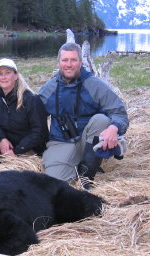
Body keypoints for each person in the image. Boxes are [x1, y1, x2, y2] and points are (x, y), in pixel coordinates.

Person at [39, 43, 129, 189]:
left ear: (81, 62)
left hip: (88, 140)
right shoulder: (48, 89)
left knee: (102, 120)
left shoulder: (94, 85)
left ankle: (87, 177)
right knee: (53, 185)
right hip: (61, 142)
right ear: (58, 62)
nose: (69, 64)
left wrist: (114, 128)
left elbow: (119, 112)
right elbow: (31, 118)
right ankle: (73, 165)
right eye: (65, 60)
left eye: (73, 60)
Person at [0, 58, 48, 157]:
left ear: (16, 75)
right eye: (0, 74)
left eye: (7, 73)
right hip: (8, 144)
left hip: (29, 148)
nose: (3, 77)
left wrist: (16, 151)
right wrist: (2, 139)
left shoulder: (31, 99)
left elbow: (38, 132)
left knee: (15, 169)